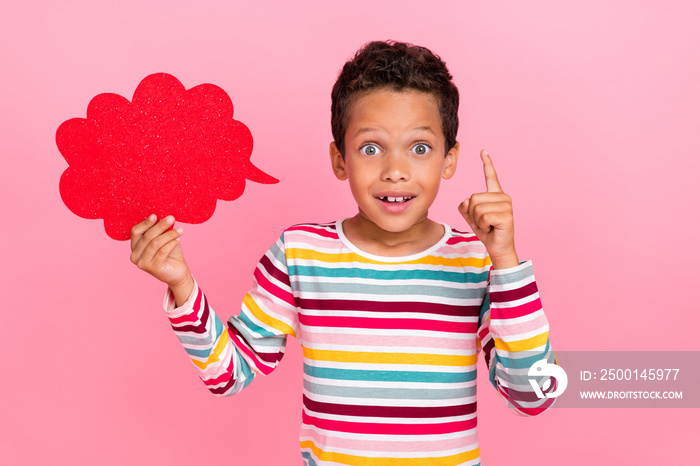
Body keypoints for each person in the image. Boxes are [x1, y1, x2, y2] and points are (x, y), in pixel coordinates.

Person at [129, 40, 557, 466]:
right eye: (371, 148)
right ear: (340, 160)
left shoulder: (477, 262)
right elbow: (228, 374)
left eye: (420, 148)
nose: (395, 170)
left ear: (450, 159)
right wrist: (181, 285)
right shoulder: (300, 254)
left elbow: (535, 396)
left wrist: (506, 261)